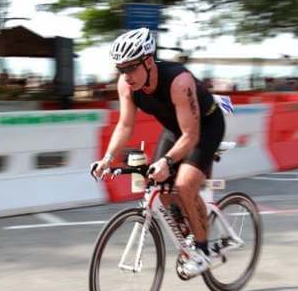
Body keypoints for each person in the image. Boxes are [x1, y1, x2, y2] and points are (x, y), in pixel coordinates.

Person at [91, 27, 226, 276]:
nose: (126, 75)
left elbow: (192, 135)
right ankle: (190, 233)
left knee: (185, 184)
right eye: (121, 68)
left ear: (149, 61)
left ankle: (204, 249)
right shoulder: (127, 85)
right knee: (159, 183)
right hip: (176, 129)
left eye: (131, 67)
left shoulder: (178, 81)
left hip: (205, 127)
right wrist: (107, 158)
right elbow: (125, 125)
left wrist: (167, 161)